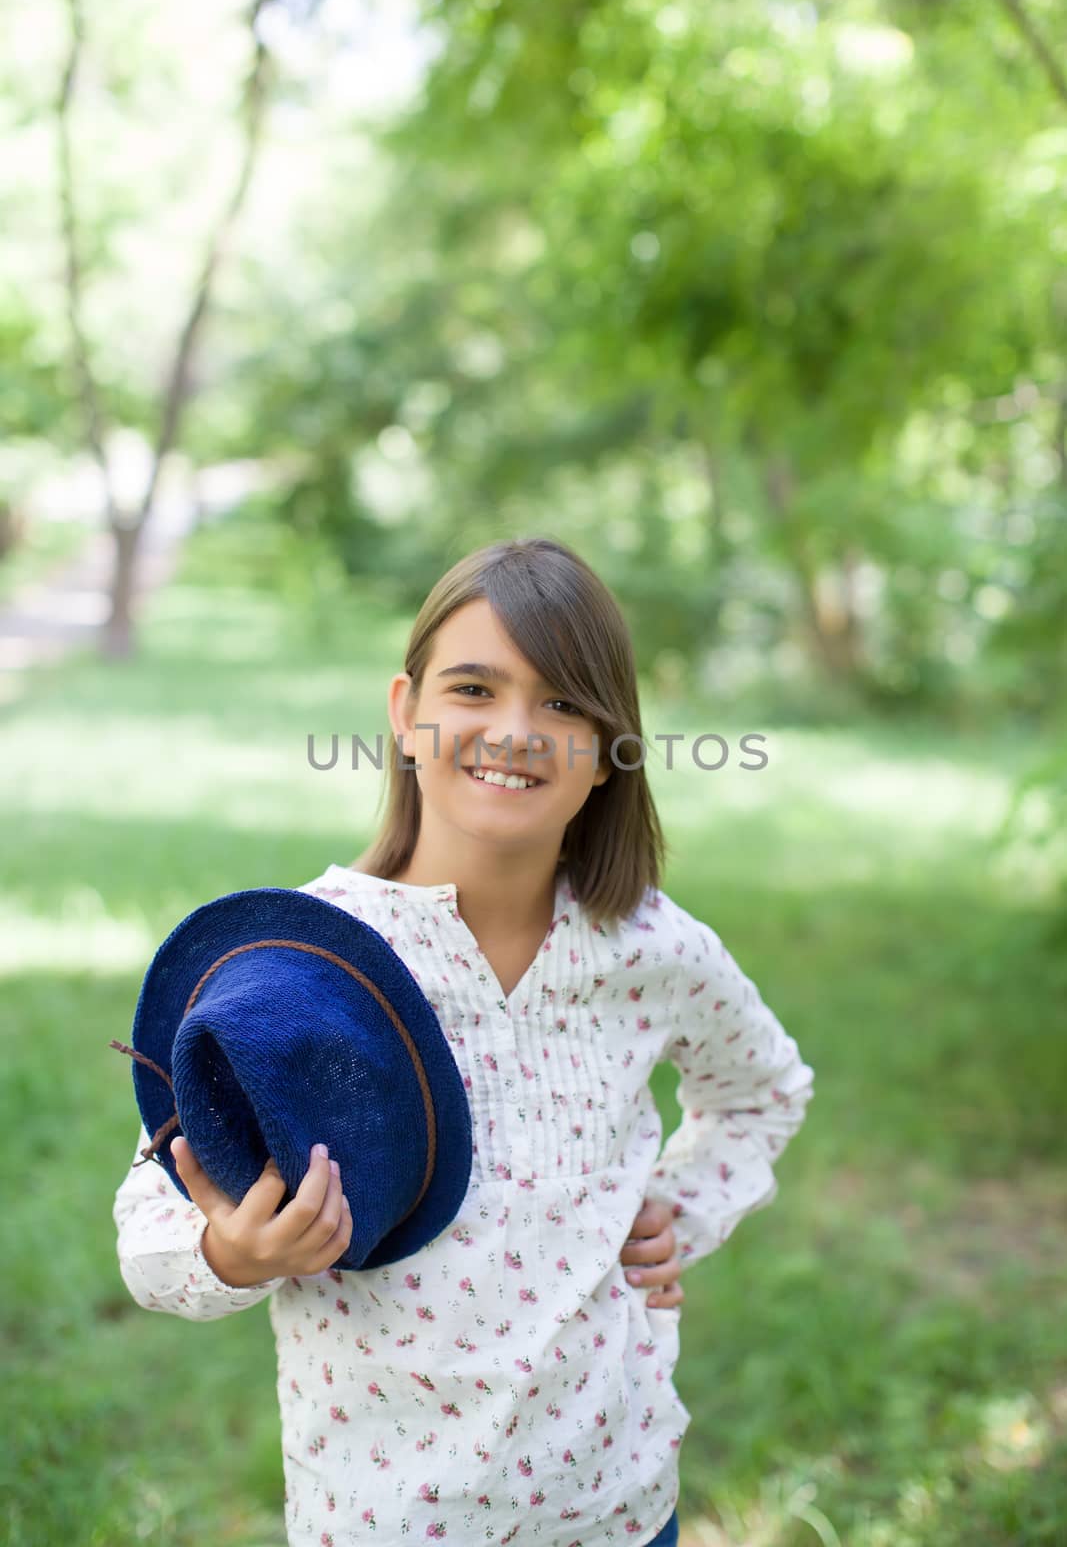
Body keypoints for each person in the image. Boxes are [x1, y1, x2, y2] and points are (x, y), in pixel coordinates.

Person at [113, 535, 815, 1547]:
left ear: (611, 743)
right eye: (474, 688)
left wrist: (679, 1209)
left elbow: (761, 1089)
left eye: (564, 701)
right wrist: (230, 1250)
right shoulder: (299, 965)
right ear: (406, 713)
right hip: (388, 1519)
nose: (516, 730)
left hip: (617, 1510)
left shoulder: (650, 947)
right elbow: (146, 1217)